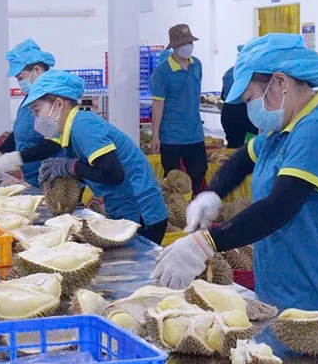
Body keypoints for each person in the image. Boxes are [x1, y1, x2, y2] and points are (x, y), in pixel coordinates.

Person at [153, 34, 318, 328]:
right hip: (281, 297)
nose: (250, 109)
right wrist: (211, 194)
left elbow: (280, 206)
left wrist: (207, 242)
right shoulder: (280, 131)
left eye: (250, 98)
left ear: (280, 83)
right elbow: (242, 159)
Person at [25, 70, 169, 244]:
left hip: (143, 212)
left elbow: (113, 174)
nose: (36, 119)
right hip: (122, 207)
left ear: (58, 104)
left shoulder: (83, 127)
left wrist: (71, 167)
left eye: (37, 110)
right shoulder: (70, 130)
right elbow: (89, 170)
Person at [0, 39, 66, 187]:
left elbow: (52, 144)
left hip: (53, 180)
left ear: (37, 70)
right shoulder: (31, 97)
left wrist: (17, 157)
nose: (19, 83)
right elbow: (19, 132)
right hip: (33, 177)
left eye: (20, 77)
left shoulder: (52, 99)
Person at [151, 23, 208, 192]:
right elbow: (158, 105)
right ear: (174, 47)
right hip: (171, 137)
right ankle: (175, 215)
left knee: (199, 175)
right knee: (172, 181)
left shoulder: (197, 65)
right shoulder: (162, 72)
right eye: (183, 44)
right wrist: (155, 135)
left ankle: (197, 214)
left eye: (189, 42)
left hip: (195, 134)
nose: (188, 47)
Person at [220, 44, 258, 148]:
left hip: (227, 112)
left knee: (233, 147)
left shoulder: (229, 72)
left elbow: (223, 97)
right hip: (242, 112)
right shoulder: (250, 73)